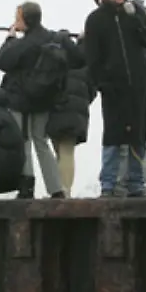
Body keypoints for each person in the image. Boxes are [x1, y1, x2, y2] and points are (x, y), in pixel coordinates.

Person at [84, 0, 146, 198]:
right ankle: (109, 184)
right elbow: (92, 57)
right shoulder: (95, 20)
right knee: (114, 135)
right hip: (113, 86)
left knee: (138, 134)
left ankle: (137, 183)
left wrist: (138, 19)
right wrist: (101, 83)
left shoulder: (135, 12)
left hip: (137, 84)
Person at [0, 2, 80, 200]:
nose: (16, 22)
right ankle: (56, 188)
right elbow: (78, 59)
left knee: (23, 141)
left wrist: (9, 38)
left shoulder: (22, 44)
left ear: (26, 20)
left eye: (18, 19)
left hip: (20, 100)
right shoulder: (53, 38)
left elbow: (1, 62)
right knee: (41, 141)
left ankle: (27, 186)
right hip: (44, 100)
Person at [46, 36, 96, 197]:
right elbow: (92, 90)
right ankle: (65, 189)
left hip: (54, 112)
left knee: (58, 152)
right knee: (67, 151)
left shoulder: (54, 67)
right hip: (77, 115)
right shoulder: (86, 68)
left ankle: (60, 189)